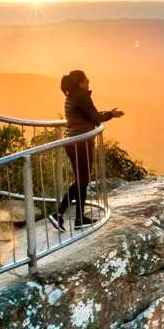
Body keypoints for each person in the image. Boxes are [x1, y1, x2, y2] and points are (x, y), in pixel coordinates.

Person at [48, 70, 124, 231]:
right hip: (81, 143)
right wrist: (111, 114)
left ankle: (79, 218)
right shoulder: (82, 96)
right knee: (82, 181)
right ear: (81, 82)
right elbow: (95, 116)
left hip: (74, 142)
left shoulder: (72, 95)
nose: (89, 81)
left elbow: (89, 115)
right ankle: (59, 213)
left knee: (82, 180)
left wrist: (106, 113)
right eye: (86, 79)